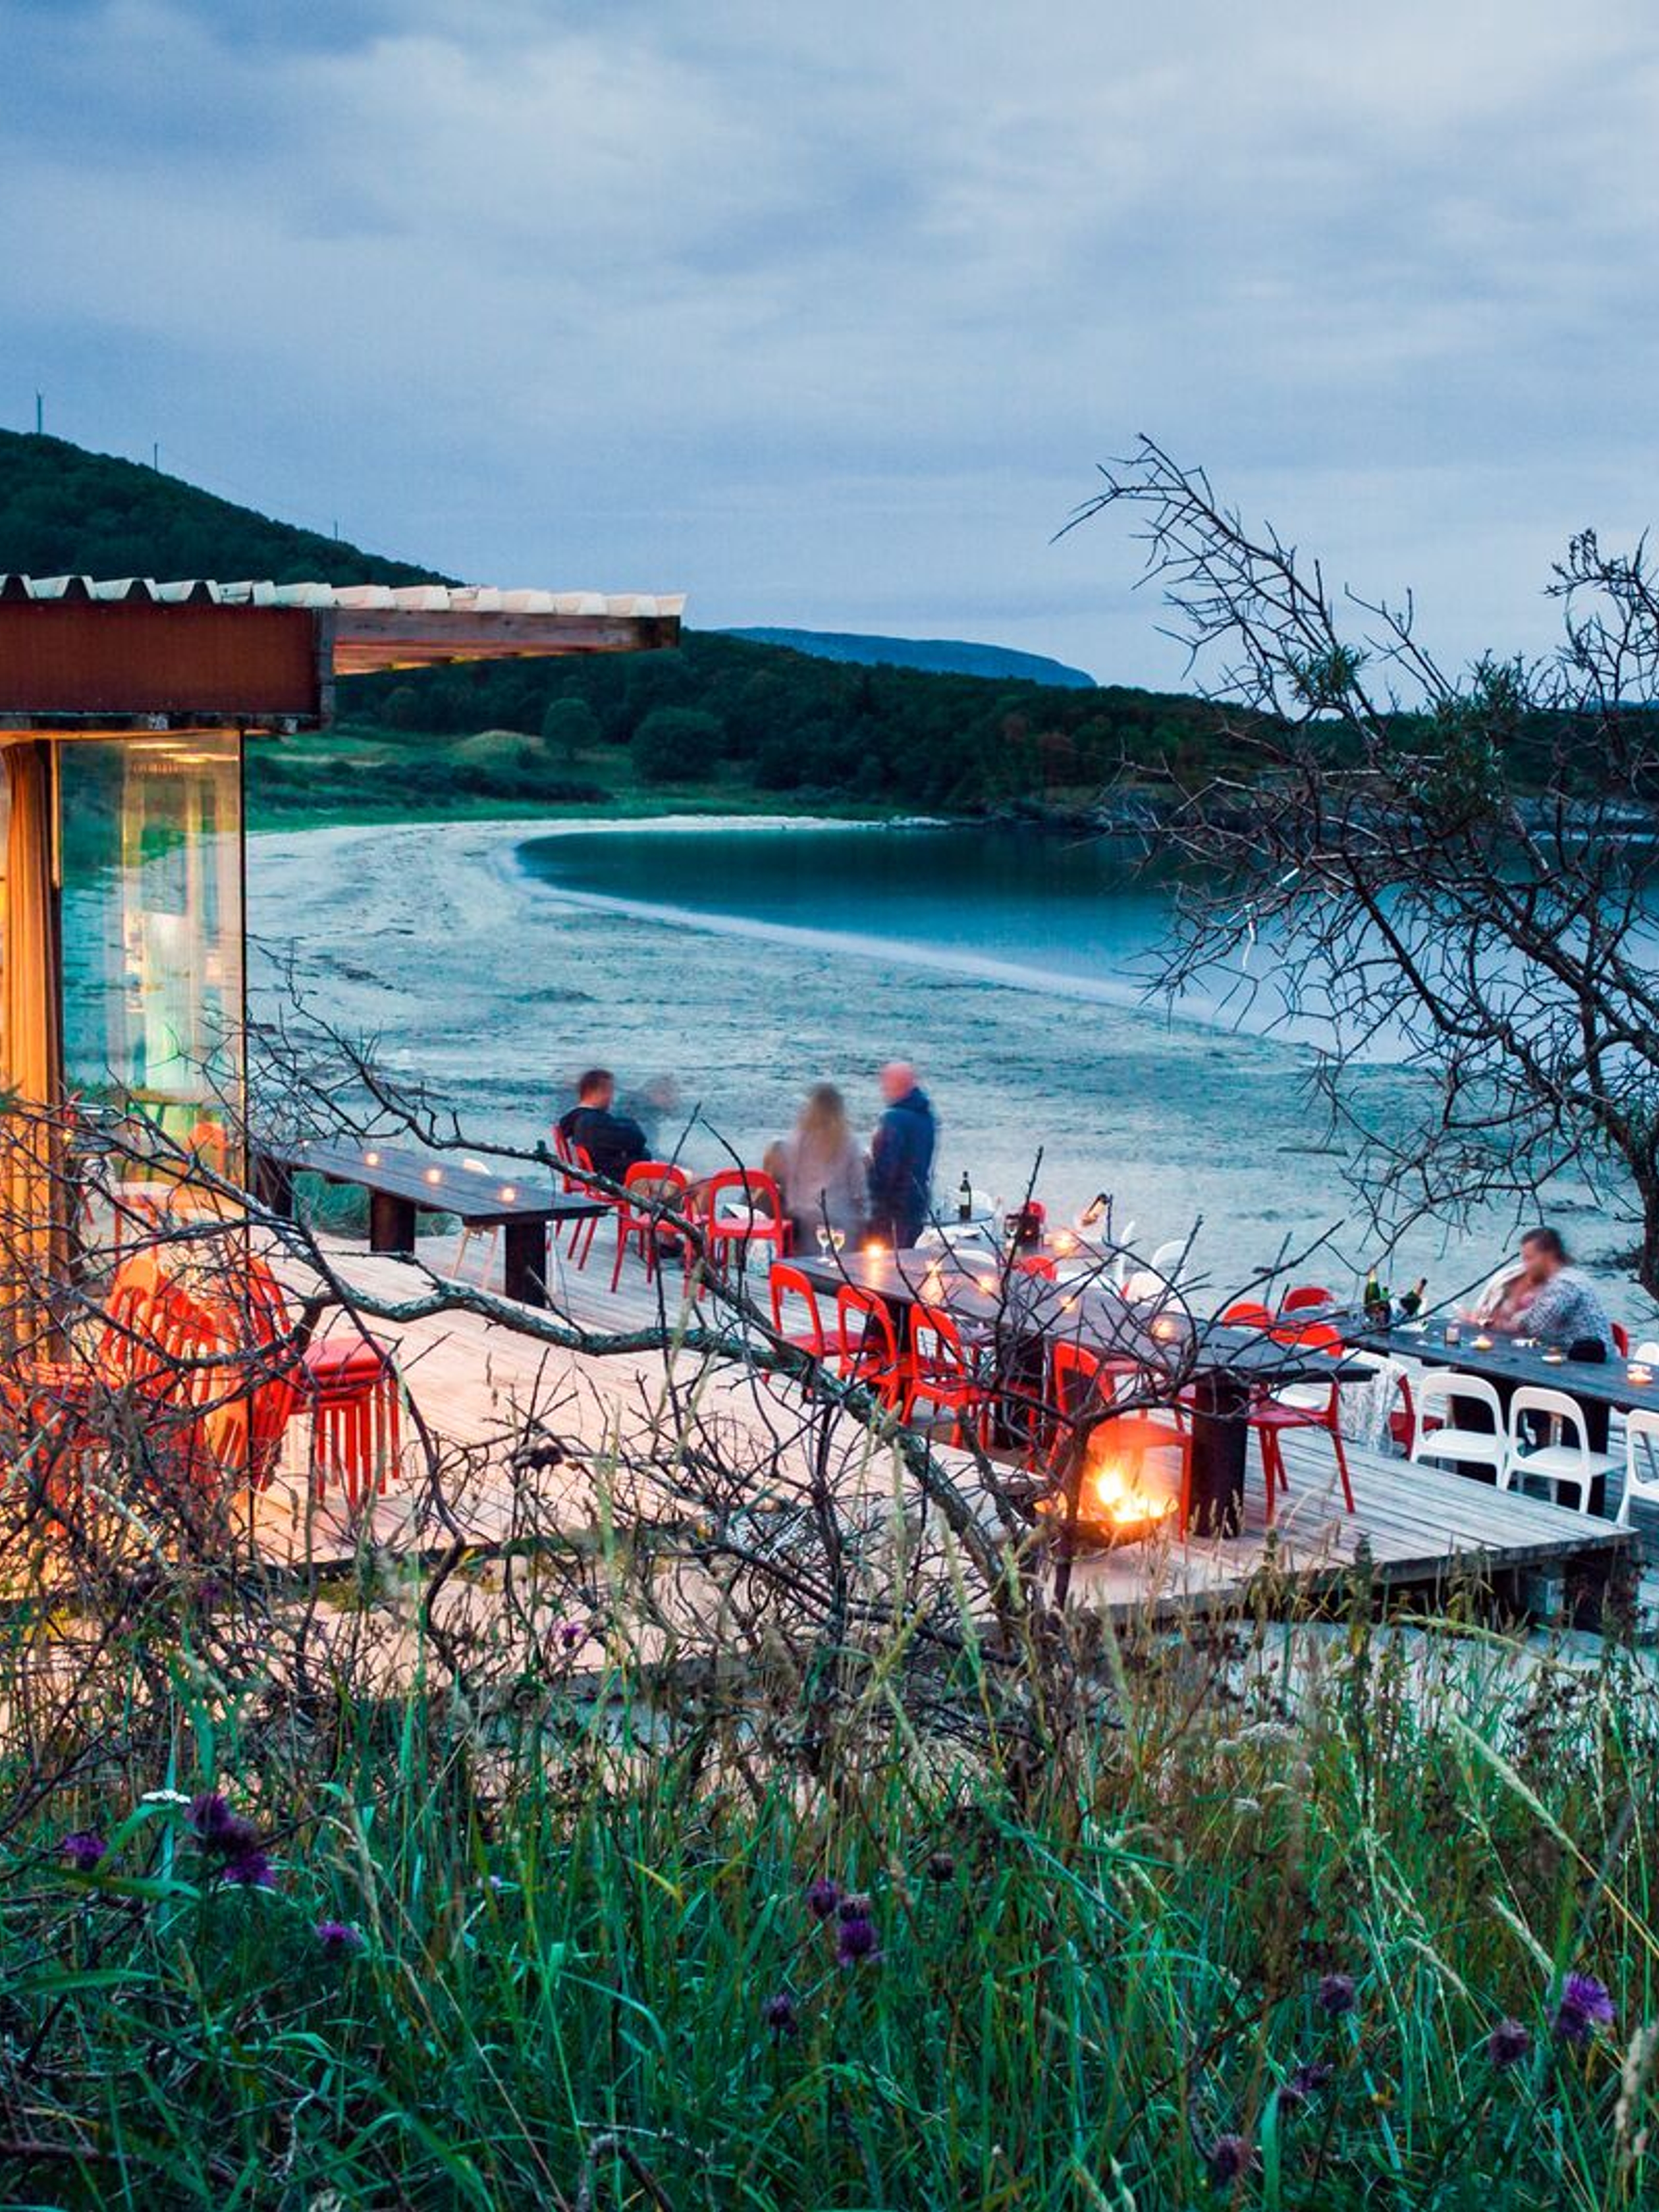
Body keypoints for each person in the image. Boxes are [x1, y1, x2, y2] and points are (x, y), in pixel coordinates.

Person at [1487, 1227, 1615, 1356]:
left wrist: (1499, 1321)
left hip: (1593, 1363)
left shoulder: (1565, 1284)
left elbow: (1536, 1327)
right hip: (1573, 1354)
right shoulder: (1561, 1279)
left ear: (1548, 1256)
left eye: (1529, 1259)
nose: (1526, 1266)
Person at [772, 1083, 867, 1252]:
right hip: (841, 1213)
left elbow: (790, 1173)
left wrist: (793, 1204)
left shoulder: (800, 1137)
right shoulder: (848, 1139)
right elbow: (858, 1182)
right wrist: (862, 1211)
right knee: (840, 1268)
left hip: (808, 1213)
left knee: (811, 1266)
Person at [866, 1060, 937, 1250]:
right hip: (917, 1204)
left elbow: (885, 1171)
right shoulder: (926, 1116)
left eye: (886, 1083)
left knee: (882, 1266)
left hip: (894, 1210)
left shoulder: (893, 1119)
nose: (883, 1088)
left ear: (899, 1085)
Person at [556, 1068, 648, 1185]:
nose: (612, 1098)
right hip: (614, 1183)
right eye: (610, 1092)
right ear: (599, 1092)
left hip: (596, 1179)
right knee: (674, 1186)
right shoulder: (593, 1123)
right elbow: (638, 1139)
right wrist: (644, 1157)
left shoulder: (574, 1121)